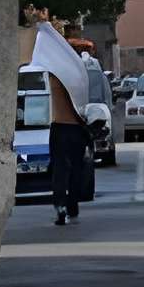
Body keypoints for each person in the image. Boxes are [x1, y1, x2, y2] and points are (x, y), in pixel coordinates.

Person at [29, 17, 92, 227]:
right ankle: (72, 206)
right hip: (76, 129)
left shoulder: (54, 78)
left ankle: (60, 206)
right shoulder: (77, 76)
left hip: (59, 128)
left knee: (59, 170)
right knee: (75, 169)